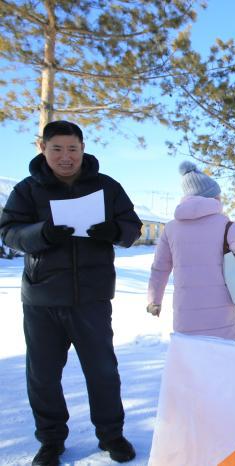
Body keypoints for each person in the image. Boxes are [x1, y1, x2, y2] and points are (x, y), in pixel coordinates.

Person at [0, 121, 143, 465]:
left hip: (91, 299)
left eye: (72, 149)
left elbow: (132, 228)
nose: (66, 157)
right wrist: (43, 233)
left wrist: (113, 230)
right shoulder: (27, 190)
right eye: (57, 149)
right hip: (42, 300)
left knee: (103, 372)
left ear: (83, 148)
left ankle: (111, 435)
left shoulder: (106, 187)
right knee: (44, 376)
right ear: (43, 148)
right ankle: (50, 441)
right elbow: (9, 232)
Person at [147, 161, 235, 339]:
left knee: (193, 362)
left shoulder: (171, 228)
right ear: (212, 198)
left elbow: (159, 268)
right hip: (222, 314)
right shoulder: (224, 223)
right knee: (225, 361)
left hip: (186, 314)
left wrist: (154, 300)